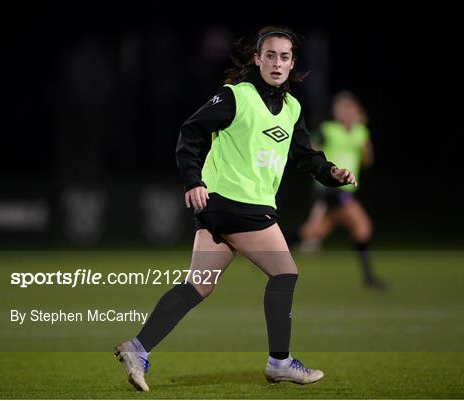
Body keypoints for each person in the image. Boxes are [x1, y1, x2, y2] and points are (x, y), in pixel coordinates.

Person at [114, 26, 357, 392]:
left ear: (293, 63)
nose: (277, 63)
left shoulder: (292, 108)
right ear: (257, 59)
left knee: (198, 286)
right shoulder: (235, 97)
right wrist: (193, 179)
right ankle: (280, 363)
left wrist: (332, 173)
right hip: (235, 203)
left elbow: (306, 156)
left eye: (285, 56)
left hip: (223, 208)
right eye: (270, 55)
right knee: (285, 274)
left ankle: (137, 348)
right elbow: (190, 132)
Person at [291, 91, 386, 289]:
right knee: (363, 227)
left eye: (351, 109)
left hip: (346, 191)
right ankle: (369, 278)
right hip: (331, 190)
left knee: (312, 232)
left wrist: (364, 141)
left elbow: (368, 161)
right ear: (335, 112)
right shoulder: (328, 130)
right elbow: (310, 153)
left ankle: (272, 252)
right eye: (343, 109)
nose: (347, 112)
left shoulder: (360, 132)